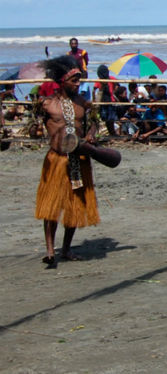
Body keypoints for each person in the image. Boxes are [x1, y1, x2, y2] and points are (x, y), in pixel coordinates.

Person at [34, 55, 100, 268]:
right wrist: (35, 129)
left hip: (78, 160)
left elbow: (93, 125)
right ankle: (51, 251)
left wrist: (91, 134)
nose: (78, 83)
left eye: (79, 80)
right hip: (56, 160)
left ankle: (67, 248)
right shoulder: (47, 104)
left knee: (74, 205)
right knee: (52, 206)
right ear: (63, 81)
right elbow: (35, 128)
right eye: (74, 80)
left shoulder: (83, 103)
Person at [92, 65, 117, 136]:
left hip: (110, 101)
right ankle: (110, 133)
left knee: (111, 119)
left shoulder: (111, 78)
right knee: (104, 118)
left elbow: (116, 84)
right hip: (103, 102)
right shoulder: (99, 80)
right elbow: (94, 90)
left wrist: (113, 91)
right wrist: (94, 100)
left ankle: (112, 133)